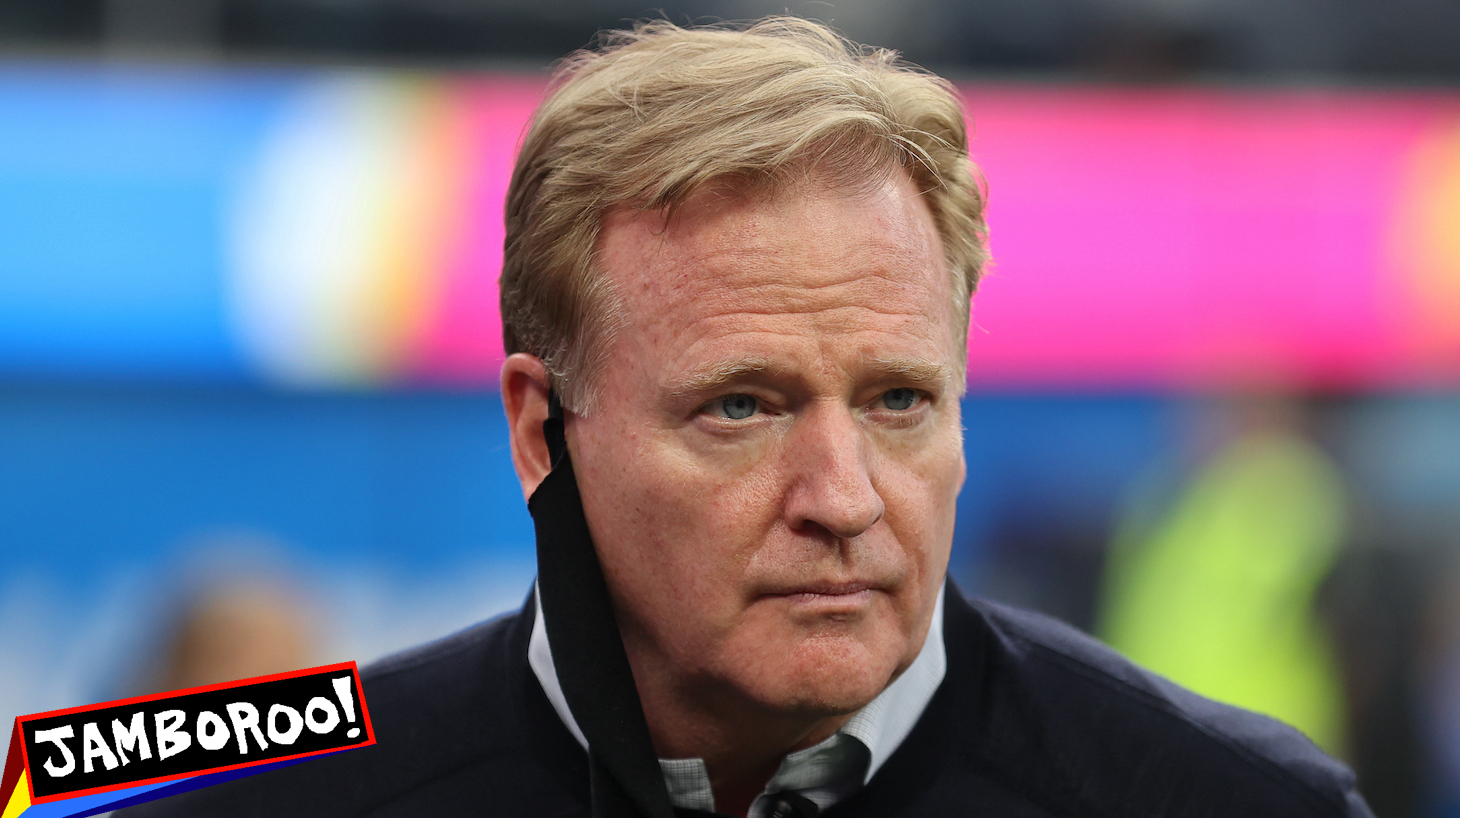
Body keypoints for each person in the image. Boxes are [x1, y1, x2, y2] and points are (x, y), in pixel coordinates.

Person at [119, 17, 1374, 818]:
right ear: (537, 427)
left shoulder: (1241, 797)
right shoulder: (232, 777)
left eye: (897, 400)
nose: (842, 496)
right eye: (740, 406)